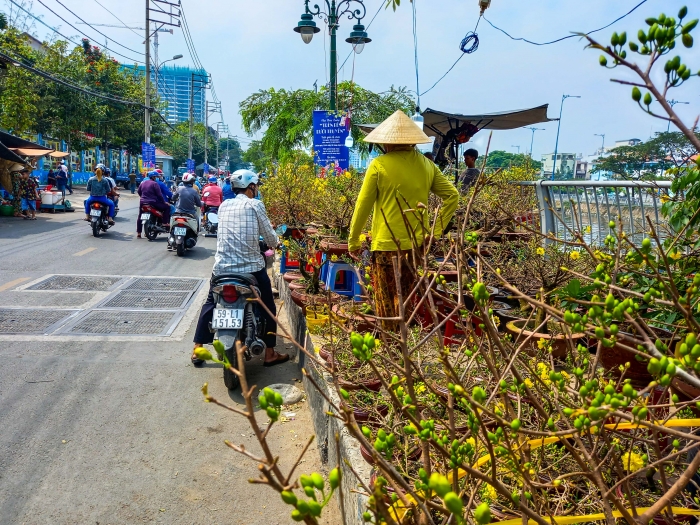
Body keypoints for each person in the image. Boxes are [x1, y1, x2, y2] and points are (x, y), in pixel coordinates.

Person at [348, 110, 459, 332]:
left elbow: (363, 205)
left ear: (386, 142)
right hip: (416, 246)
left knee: (385, 303)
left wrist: (353, 241)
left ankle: (390, 346)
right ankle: (404, 349)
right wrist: (433, 232)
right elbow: (452, 195)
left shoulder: (379, 165)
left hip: (386, 245)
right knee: (407, 298)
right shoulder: (427, 165)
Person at [191, 169, 286, 367]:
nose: (257, 189)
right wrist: (277, 244)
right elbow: (269, 237)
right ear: (251, 187)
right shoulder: (255, 205)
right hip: (251, 270)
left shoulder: (224, 205)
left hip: (222, 269)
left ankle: (197, 348)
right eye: (256, 186)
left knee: (210, 302)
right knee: (268, 306)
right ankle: (269, 353)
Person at [136, 171, 170, 238]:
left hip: (142, 202)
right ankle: (164, 223)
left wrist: (142, 197)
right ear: (154, 177)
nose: (157, 178)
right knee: (167, 207)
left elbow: (139, 192)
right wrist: (164, 202)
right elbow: (159, 195)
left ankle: (139, 233)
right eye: (156, 177)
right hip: (152, 202)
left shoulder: (143, 183)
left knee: (140, 216)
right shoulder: (155, 184)